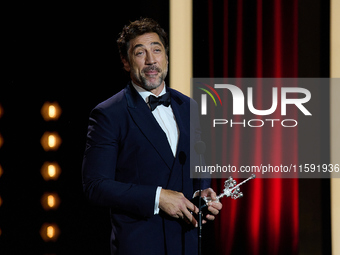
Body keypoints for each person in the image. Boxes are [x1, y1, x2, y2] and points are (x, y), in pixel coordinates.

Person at [82, 17, 222, 255]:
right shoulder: (108, 114)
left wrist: (203, 192)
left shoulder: (190, 107)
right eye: (140, 53)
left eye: (156, 50)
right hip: (140, 246)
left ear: (166, 56)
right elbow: (96, 186)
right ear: (126, 62)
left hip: (186, 245)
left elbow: (198, 166)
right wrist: (158, 197)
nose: (150, 60)